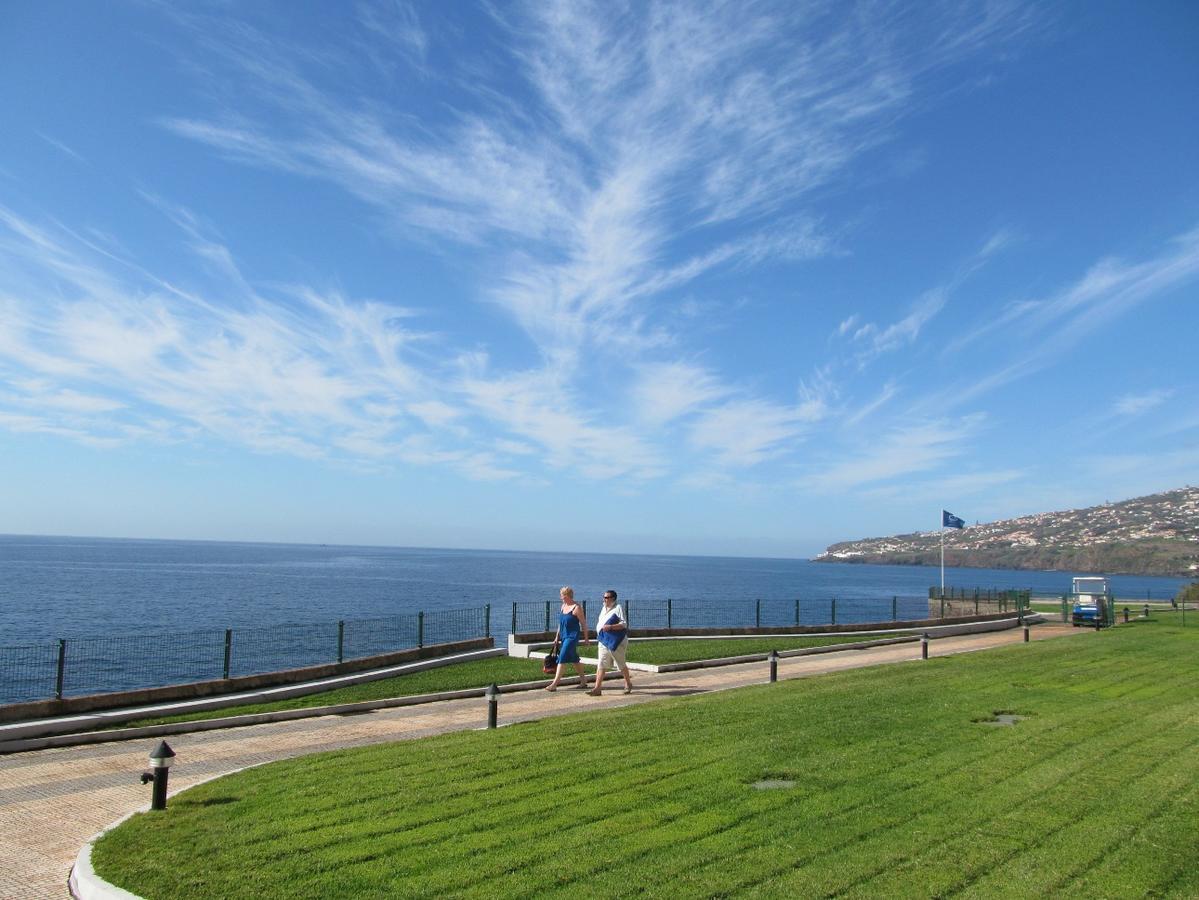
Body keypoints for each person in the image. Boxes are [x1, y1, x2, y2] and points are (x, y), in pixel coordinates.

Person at [544, 586, 589, 691]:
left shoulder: (576, 608)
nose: (561, 598)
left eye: (562, 595)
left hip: (572, 637)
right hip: (564, 635)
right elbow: (561, 624)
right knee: (574, 659)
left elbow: (583, 624)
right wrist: (557, 637)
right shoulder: (563, 606)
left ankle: (554, 684)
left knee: (562, 657)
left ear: (567, 596)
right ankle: (583, 681)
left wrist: (586, 639)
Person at [589, 589, 633, 696]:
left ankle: (628, 683)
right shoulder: (603, 608)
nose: (604, 599)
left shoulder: (618, 608)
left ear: (613, 599)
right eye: (604, 597)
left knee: (620, 663)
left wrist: (611, 627)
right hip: (603, 640)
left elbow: (624, 624)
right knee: (601, 664)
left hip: (615, 642)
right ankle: (597, 688)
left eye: (606, 597)